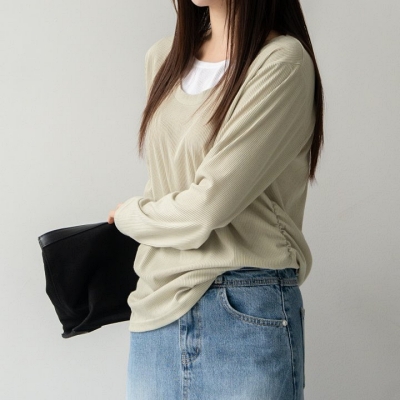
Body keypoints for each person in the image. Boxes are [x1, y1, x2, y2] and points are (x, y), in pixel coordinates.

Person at [108, 0, 324, 398]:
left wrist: (130, 216)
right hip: (156, 307)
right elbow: (165, 182)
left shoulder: (281, 62)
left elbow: (207, 207)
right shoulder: (163, 57)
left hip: (245, 302)